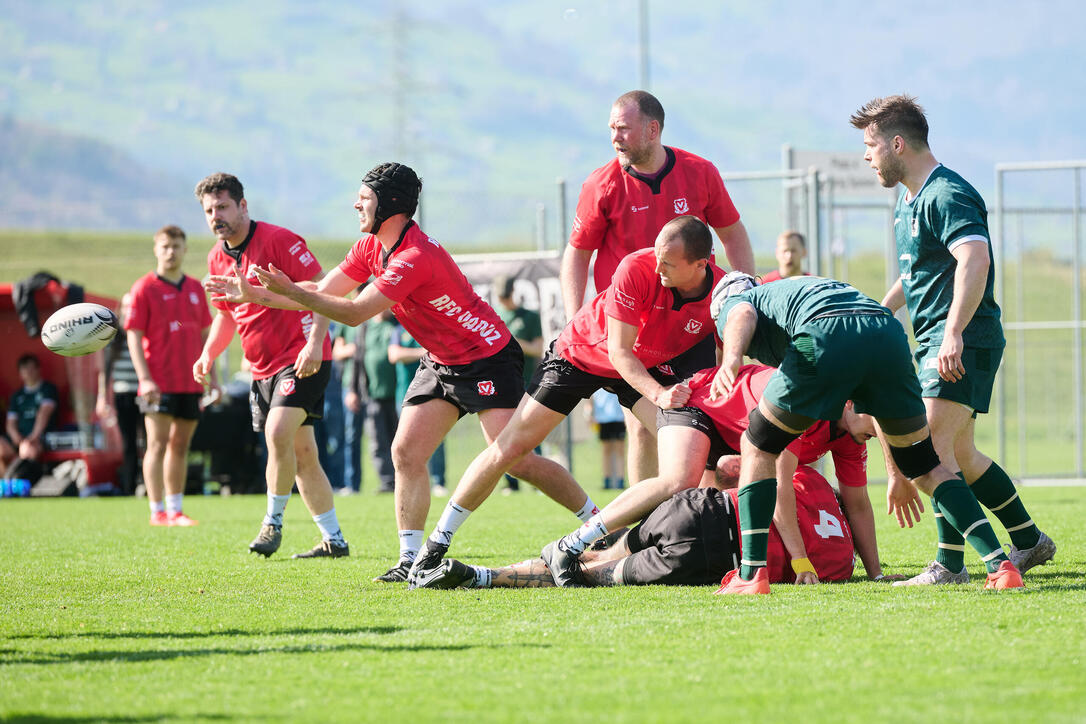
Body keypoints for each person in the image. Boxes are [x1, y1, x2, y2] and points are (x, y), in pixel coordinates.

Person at [205, 163, 592, 583]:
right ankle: (409, 558)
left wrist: (288, 291)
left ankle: (599, 523)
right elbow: (323, 291)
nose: (356, 204)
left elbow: (352, 313)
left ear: (389, 205)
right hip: (441, 359)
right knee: (405, 452)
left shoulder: (415, 256)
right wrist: (256, 294)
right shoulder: (369, 246)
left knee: (518, 462)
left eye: (364, 198)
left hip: (487, 357)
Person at [408, 214, 727, 589]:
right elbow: (619, 353)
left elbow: (722, 360)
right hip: (584, 355)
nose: (657, 267)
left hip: (644, 365)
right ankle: (432, 548)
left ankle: (677, 541)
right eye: (656, 256)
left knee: (697, 454)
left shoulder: (722, 292)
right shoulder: (636, 268)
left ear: (701, 265)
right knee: (508, 448)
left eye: (668, 263)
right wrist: (659, 393)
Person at [705, 273, 1023, 594]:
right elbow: (866, 403)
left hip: (825, 331)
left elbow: (742, 314)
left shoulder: (736, 301)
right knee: (924, 466)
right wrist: (896, 472)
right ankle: (1000, 566)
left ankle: (751, 574)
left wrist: (730, 359)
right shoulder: (787, 296)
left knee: (757, 445)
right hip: (886, 330)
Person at [851, 95, 1055, 585]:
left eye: (871, 145)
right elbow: (919, 271)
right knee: (962, 457)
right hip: (943, 341)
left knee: (928, 452)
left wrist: (953, 334)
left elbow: (974, 259)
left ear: (898, 143)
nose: (866, 156)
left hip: (964, 341)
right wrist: (882, 311)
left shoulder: (947, 193)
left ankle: (951, 565)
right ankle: (1028, 541)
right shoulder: (908, 198)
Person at [541, 362, 900, 586]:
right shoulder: (805, 404)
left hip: (732, 438)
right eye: (878, 421)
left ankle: (568, 562)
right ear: (852, 403)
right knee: (677, 483)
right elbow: (777, 488)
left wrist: (875, 575)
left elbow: (858, 504)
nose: (879, 432)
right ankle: (574, 543)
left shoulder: (854, 434)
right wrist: (800, 558)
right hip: (698, 406)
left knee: (689, 530)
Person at [561, 89, 756, 489]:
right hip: (635, 332)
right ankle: (647, 527)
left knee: (707, 418)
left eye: (624, 129)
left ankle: (709, 518)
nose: (615, 137)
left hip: (694, 322)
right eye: (612, 128)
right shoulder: (602, 184)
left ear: (652, 129)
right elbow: (576, 255)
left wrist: (743, 294)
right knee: (642, 426)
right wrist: (575, 317)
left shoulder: (699, 171)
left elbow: (733, 234)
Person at [192, 172, 348, 559]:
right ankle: (335, 540)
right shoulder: (216, 256)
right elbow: (226, 316)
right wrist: (208, 355)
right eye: (209, 210)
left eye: (223, 206)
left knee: (277, 432)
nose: (217, 216)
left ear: (243, 206)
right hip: (261, 369)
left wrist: (315, 342)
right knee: (303, 454)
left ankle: (272, 523)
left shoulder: (279, 240)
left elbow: (324, 290)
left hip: (302, 357)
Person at [420, 463, 854, 590]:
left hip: (697, 507)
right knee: (593, 576)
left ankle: (487, 572)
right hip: (711, 556)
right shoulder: (840, 566)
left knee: (602, 556)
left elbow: (738, 476)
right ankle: (481, 578)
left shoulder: (812, 480)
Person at [125, 225, 212, 526]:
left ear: (185, 249)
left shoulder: (195, 289)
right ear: (156, 250)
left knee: (180, 446)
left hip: (190, 382)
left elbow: (205, 334)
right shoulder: (144, 288)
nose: (171, 251)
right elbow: (134, 336)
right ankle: (157, 510)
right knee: (157, 445)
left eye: (176, 246)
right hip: (158, 383)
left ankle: (175, 509)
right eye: (165, 246)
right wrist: (144, 378)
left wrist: (212, 375)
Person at [493, 275, 543, 492]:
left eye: (506, 295)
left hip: (526, 381)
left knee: (531, 430)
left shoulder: (529, 317)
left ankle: (539, 480)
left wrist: (514, 342)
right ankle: (511, 483)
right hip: (502, 382)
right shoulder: (495, 316)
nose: (504, 301)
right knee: (503, 432)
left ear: (513, 292)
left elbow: (537, 349)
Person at [387, 323, 447, 495]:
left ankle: (438, 481)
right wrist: (422, 352)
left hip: (433, 392)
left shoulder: (428, 327)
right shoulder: (399, 330)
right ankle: (413, 482)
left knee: (436, 441)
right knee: (406, 443)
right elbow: (394, 354)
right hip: (405, 395)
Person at [96, 293, 143, 495]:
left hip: (144, 392)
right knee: (129, 443)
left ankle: (150, 485)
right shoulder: (114, 336)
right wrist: (101, 398)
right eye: (125, 306)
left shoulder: (144, 330)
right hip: (123, 393)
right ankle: (129, 487)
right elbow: (105, 370)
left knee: (150, 442)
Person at [362, 309, 399, 494]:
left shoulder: (397, 323)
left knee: (399, 440)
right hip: (373, 394)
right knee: (378, 441)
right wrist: (354, 390)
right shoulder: (365, 327)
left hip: (399, 393)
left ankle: (401, 479)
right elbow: (358, 360)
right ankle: (387, 481)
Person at [5, 354, 58, 482]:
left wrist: (33, 437)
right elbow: (10, 423)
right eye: (24, 369)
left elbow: (43, 414)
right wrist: (15, 437)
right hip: (19, 438)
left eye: (31, 368)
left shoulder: (48, 389)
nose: (28, 372)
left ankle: (21, 486)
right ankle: (6, 485)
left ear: (38, 369)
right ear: (20, 373)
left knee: (27, 450)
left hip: (39, 437)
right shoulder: (17, 396)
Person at [589, 389, 626, 490]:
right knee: (606, 451)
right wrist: (590, 415)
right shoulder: (596, 383)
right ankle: (607, 481)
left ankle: (620, 481)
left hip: (619, 418)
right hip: (602, 419)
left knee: (620, 452)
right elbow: (591, 400)